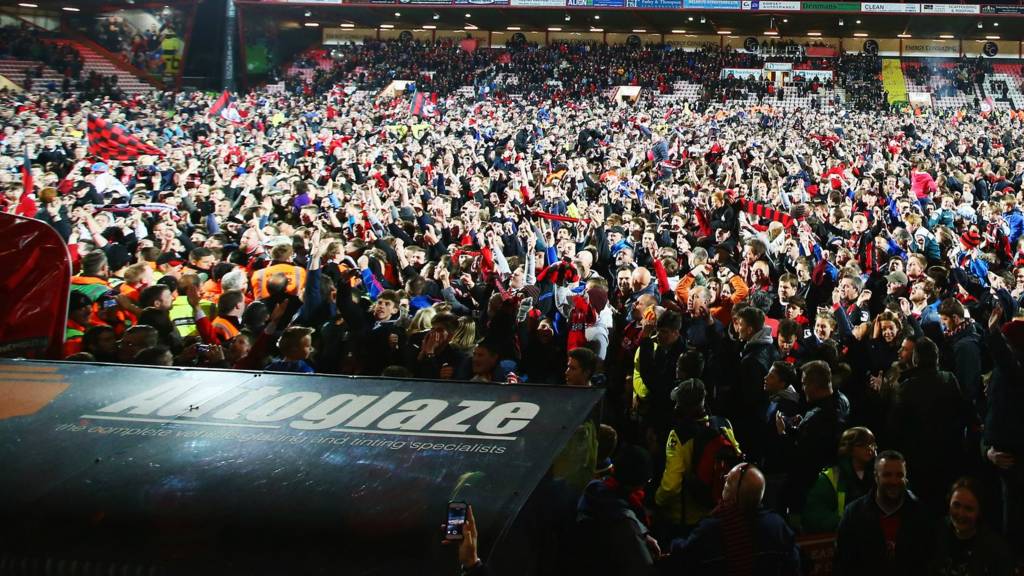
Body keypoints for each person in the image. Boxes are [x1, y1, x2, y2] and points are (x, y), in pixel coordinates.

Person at [661, 463, 801, 575]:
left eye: (726, 482)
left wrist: (673, 544)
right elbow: (794, 565)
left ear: (731, 495)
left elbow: (683, 556)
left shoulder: (711, 530)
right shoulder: (777, 526)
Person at [834, 450, 932, 576]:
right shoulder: (853, 514)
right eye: (887, 475)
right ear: (876, 477)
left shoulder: (921, 514)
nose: (894, 481)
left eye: (899, 475)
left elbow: (928, 562)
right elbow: (842, 565)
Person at [572, 444, 660, 574]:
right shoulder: (625, 522)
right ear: (638, 484)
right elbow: (642, 568)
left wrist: (643, 534)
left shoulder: (595, 489)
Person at [929, 477, 1013, 576]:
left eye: (968, 509)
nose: (961, 513)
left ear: (979, 512)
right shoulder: (935, 533)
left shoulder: (995, 549)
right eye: (956, 505)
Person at [801, 426, 877, 534]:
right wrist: (848, 520)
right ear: (849, 448)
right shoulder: (831, 478)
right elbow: (814, 517)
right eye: (862, 444)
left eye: (872, 444)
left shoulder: (880, 474)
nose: (870, 448)